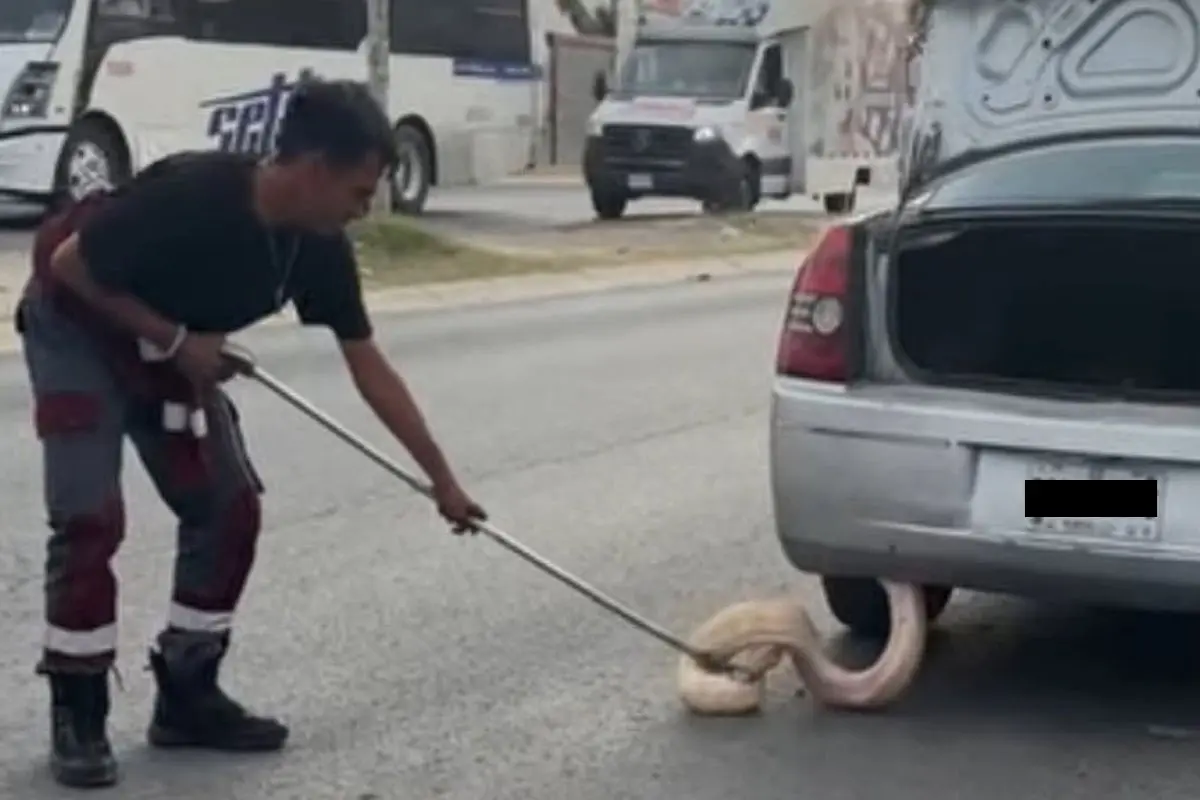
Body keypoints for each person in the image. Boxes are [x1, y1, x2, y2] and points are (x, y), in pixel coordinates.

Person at [18, 78, 486, 789]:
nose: (363, 211)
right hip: (78, 325)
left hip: (172, 346)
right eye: (360, 193)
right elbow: (69, 265)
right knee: (89, 516)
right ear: (314, 169)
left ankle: (187, 694)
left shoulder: (317, 248)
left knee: (227, 507)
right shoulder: (195, 195)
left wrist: (443, 483)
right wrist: (175, 338)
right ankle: (77, 710)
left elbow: (370, 368)